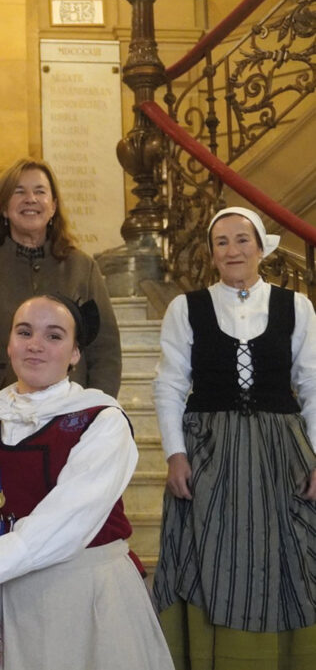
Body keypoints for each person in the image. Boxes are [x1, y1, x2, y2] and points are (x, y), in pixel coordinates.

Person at [0, 294, 174, 670]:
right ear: (9, 344)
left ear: (76, 353)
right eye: (24, 332)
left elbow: (61, 526)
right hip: (8, 596)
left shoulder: (102, 420)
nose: (36, 345)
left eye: (54, 336)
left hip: (90, 596)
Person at [152, 206, 316, 669]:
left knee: (293, 558)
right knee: (212, 556)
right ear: (210, 254)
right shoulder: (186, 308)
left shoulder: (295, 306)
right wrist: (174, 454)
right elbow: (168, 384)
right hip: (209, 449)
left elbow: (312, 383)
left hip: (280, 448)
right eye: (221, 242)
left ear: (261, 247)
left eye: (242, 239)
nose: (232, 249)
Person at [0, 157, 121, 413]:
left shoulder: (83, 268)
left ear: (53, 206)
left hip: (68, 411)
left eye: (40, 191)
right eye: (19, 192)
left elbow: (106, 351)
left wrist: (97, 410)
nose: (31, 199)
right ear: (4, 208)